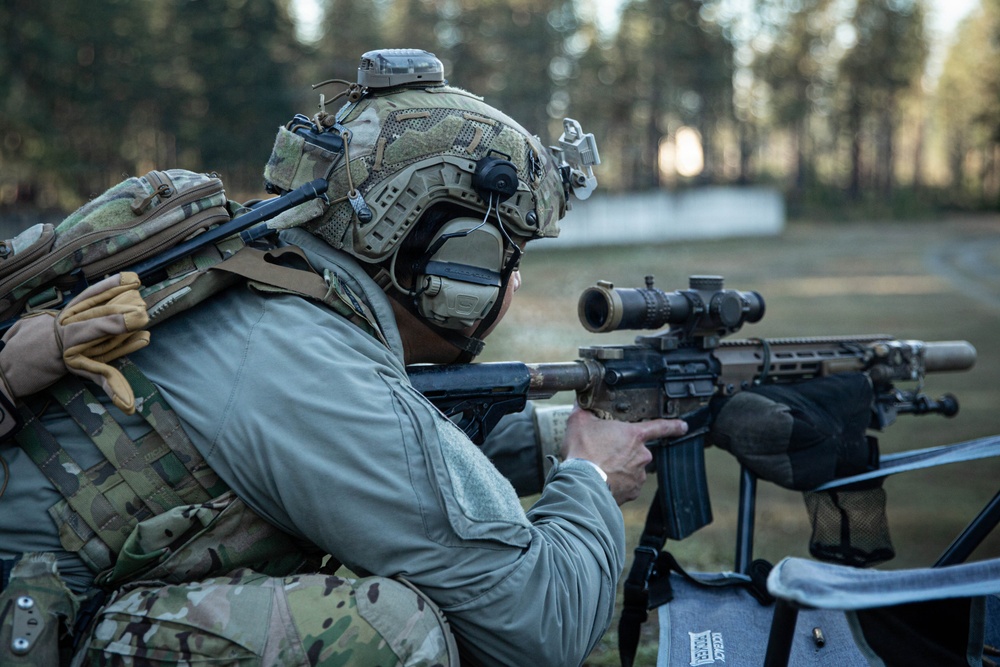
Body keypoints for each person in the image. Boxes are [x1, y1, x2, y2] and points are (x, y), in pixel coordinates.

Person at [0, 48, 687, 666]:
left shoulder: (262, 282)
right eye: (508, 253)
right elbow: (542, 622)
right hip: (28, 622)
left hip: (39, 597)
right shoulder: (306, 365)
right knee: (390, 634)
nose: (511, 281)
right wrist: (590, 481)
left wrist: (557, 440)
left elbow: (398, 455)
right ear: (450, 259)